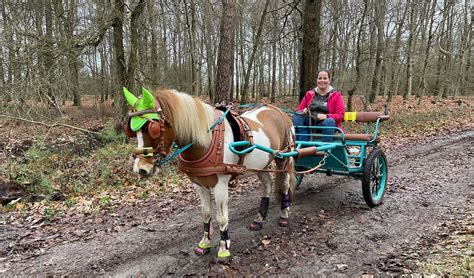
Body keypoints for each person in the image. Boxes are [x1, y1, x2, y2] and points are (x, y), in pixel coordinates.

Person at [293, 70, 345, 142]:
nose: (322, 80)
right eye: (320, 78)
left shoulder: (336, 95)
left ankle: (325, 150)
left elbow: (341, 115)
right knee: (297, 117)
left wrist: (327, 116)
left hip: (325, 124)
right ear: (317, 80)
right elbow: (299, 110)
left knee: (329, 121)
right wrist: (303, 111)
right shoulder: (309, 94)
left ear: (329, 80)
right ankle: (303, 146)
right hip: (310, 122)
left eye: (325, 78)